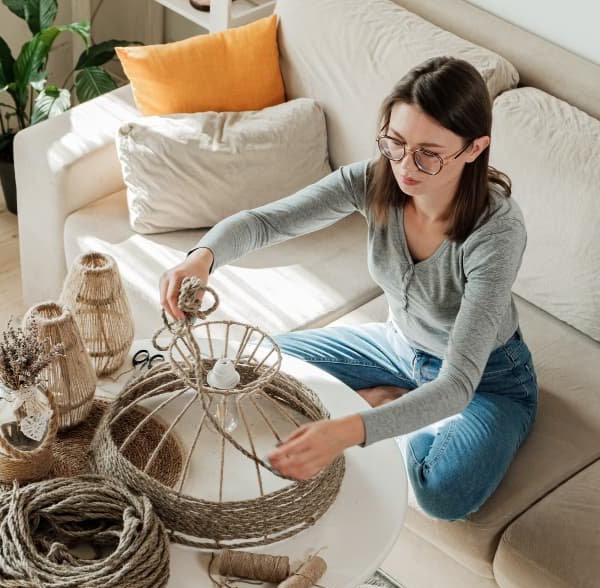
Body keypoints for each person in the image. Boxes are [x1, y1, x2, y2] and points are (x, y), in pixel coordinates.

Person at [158, 56, 538, 522]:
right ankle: (396, 400)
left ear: (475, 149)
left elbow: (457, 383)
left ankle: (403, 416)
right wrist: (202, 257)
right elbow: (266, 223)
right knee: (249, 366)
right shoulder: (374, 180)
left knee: (440, 493)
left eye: (429, 153)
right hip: (397, 346)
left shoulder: (496, 233)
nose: (405, 165)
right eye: (395, 142)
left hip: (485, 380)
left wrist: (349, 431)